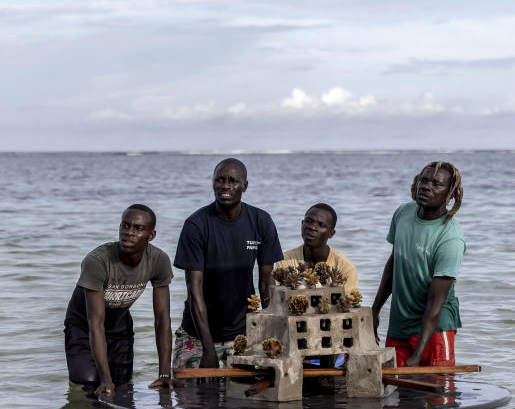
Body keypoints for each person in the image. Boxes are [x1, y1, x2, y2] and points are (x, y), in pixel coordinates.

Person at [172, 158, 283, 370]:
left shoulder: (261, 221)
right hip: (197, 335)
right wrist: (208, 350)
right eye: (220, 180)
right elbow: (194, 290)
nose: (225, 186)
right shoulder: (196, 225)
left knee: (248, 399)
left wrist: (269, 332)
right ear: (213, 183)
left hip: (243, 332)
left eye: (232, 181)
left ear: (245, 186)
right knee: (195, 400)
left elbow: (266, 282)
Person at [63, 204, 174, 395]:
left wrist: (164, 374)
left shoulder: (158, 260)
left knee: (123, 389)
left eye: (138, 228)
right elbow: (95, 323)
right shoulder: (98, 261)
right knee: (90, 386)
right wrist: (105, 379)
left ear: (151, 235)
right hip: (83, 327)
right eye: (125, 226)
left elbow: (162, 320)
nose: (129, 232)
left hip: (119, 328)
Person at [371, 161, 465, 367]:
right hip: (399, 325)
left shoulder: (450, 237)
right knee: (399, 396)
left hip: (436, 330)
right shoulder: (403, 214)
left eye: (436, 184)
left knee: (440, 395)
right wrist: (374, 311)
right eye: (424, 180)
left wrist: (418, 356)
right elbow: (394, 264)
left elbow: (435, 302)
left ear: (450, 193)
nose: (426, 187)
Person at [275, 203, 360, 296]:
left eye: (321, 225)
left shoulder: (345, 268)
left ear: (331, 233)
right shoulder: (286, 261)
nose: (312, 227)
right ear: (302, 224)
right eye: (308, 221)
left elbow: (351, 306)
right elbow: (278, 299)